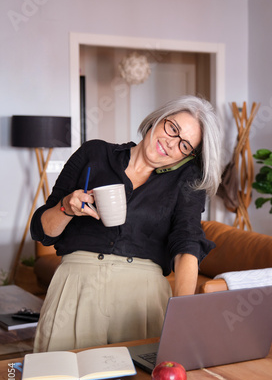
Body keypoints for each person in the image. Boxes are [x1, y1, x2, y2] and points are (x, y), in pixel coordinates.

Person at [31, 95, 224, 352]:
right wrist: (67, 206)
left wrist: (182, 314)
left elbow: (187, 242)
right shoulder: (94, 153)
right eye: (172, 128)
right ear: (158, 119)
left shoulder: (187, 180)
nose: (171, 142)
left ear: (188, 156)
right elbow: (42, 230)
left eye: (184, 145)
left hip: (142, 299)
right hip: (77, 288)